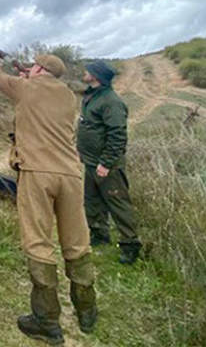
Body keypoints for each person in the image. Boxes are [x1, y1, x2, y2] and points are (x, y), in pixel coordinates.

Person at [0, 48, 97, 344]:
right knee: (76, 243)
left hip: (38, 173)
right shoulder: (68, 96)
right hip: (72, 175)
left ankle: (47, 322)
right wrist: (29, 76)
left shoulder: (26, 87)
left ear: (37, 69)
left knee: (38, 243)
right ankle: (87, 312)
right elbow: (40, 96)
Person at [77, 60, 142, 265]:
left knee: (118, 204)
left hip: (107, 165)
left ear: (96, 76)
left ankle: (130, 245)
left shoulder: (111, 101)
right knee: (92, 202)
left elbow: (117, 135)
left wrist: (106, 163)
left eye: (88, 71)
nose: (84, 72)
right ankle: (99, 234)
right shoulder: (92, 95)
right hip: (90, 162)